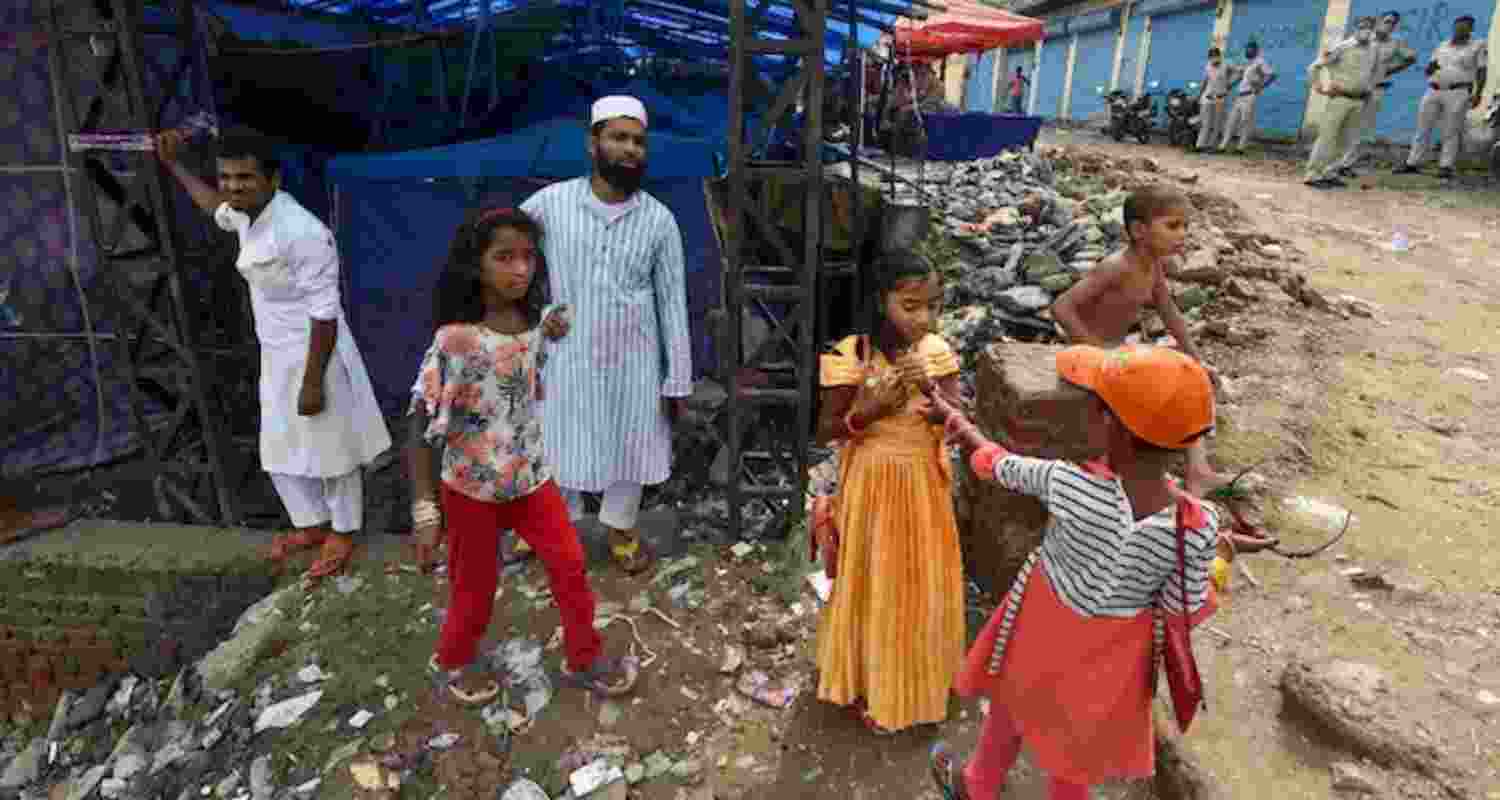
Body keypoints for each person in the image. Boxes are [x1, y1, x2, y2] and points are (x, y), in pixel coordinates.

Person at [925, 344, 1221, 800]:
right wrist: (1221, 562)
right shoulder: (1196, 527)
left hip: (1041, 625)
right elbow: (1187, 609)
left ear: (1112, 429)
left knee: (1012, 701)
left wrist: (956, 420)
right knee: (1075, 751)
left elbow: (996, 463)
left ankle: (978, 786)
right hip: (1114, 658)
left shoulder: (1070, 482)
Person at [405, 207, 639, 704]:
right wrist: (425, 508)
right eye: (504, 256)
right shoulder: (456, 339)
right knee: (474, 585)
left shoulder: (531, 324)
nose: (520, 268)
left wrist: (550, 330)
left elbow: (530, 357)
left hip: (531, 478)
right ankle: (454, 658)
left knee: (571, 564)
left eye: (529, 256)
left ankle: (583, 656)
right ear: (476, 264)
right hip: (471, 489)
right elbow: (419, 418)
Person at [154, 126, 390, 583]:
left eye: (245, 178)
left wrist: (312, 380)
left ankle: (344, 530)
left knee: (330, 446)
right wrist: (175, 166)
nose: (233, 186)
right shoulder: (246, 214)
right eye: (227, 177)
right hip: (276, 352)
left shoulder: (302, 232)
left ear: (273, 180)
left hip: (315, 351)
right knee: (280, 446)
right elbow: (214, 208)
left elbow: (325, 317)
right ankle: (311, 524)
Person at [519, 96, 692, 576]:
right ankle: (551, 531)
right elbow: (508, 252)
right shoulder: (550, 204)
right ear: (593, 144)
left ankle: (621, 529)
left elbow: (673, 304)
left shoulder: (659, 220)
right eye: (619, 138)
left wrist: (676, 381)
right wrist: (536, 313)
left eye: (638, 141)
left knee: (631, 444)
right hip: (568, 354)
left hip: (635, 360)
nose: (630, 149)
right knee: (558, 442)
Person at [812, 250, 965, 735]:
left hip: (923, 487)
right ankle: (874, 685)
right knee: (877, 584)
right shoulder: (850, 356)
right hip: (873, 489)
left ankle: (918, 683)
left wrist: (937, 399)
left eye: (933, 306)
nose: (924, 319)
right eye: (911, 305)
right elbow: (826, 431)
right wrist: (868, 411)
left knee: (919, 585)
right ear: (881, 303)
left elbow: (959, 424)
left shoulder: (937, 354)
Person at [1050, 186, 1224, 496]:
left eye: (1185, 226)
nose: (1182, 234)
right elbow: (1062, 307)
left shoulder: (1153, 266)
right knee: (1159, 389)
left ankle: (1199, 470)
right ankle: (1156, 480)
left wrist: (1195, 358)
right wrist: (1097, 353)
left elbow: (1169, 313)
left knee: (1191, 378)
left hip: (1118, 355)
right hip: (1087, 358)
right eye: (1172, 226)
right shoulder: (1116, 267)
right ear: (1139, 230)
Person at [1394, 15, 1489, 180]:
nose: (1460, 29)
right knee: (1423, 127)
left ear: (1471, 29)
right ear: (1454, 26)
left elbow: (1482, 71)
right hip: (1433, 89)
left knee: (1451, 130)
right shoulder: (1442, 45)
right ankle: (1412, 163)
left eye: (1465, 27)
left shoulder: (1478, 45)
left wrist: (1478, 93)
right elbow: (1432, 65)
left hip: (1458, 92)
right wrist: (1429, 69)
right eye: (1458, 26)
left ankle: (1445, 166)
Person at [1334, 11, 1418, 177]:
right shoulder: (1364, 38)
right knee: (1343, 125)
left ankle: (1346, 165)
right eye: (1386, 21)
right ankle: (1331, 162)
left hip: (1375, 89)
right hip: (1353, 89)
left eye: (1393, 23)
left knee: (1361, 129)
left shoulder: (1395, 43)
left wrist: (1390, 70)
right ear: (1379, 21)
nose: (1389, 25)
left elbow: (1411, 58)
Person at [1304, 16, 1381, 189]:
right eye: (1362, 27)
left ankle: (1330, 173)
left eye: (1369, 28)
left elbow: (1371, 73)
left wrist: (1369, 90)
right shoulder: (1343, 47)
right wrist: (1320, 88)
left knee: (1345, 141)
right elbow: (1314, 67)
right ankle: (1313, 175)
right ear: (1355, 28)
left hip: (1359, 101)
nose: (1366, 31)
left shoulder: (1373, 50)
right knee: (1327, 138)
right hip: (1340, 99)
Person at [1220, 41, 1277, 153]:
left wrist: (1260, 86)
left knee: (1245, 122)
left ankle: (1240, 148)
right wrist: (1229, 86)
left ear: (1256, 50)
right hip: (1239, 96)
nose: (1247, 51)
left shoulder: (1260, 62)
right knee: (1231, 121)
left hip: (1249, 95)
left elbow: (1272, 75)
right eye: (1247, 49)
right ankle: (1222, 146)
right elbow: (1241, 77)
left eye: (1250, 49)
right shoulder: (1247, 63)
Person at [1194, 48, 1239, 152]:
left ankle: (1211, 146)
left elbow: (1239, 72)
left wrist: (1231, 84)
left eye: (1216, 56)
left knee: (1217, 124)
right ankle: (1199, 145)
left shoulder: (1227, 64)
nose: (1214, 59)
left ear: (1220, 56)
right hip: (1207, 97)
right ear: (1209, 58)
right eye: (1212, 57)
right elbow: (1205, 81)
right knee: (1205, 123)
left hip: (1220, 97)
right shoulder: (1208, 66)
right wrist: (1199, 95)